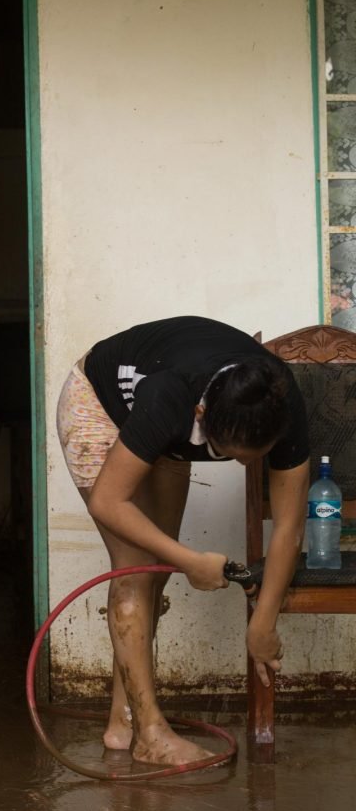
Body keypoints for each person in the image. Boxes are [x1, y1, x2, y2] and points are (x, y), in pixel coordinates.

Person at [56, 316, 310, 767]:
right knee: (136, 568)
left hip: (166, 429)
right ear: (202, 418)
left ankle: (123, 721)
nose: (238, 466)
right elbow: (108, 503)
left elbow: (289, 526)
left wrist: (263, 622)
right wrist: (190, 561)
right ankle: (150, 736)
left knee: (157, 577)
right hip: (100, 400)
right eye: (228, 454)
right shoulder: (171, 395)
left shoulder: (281, 403)